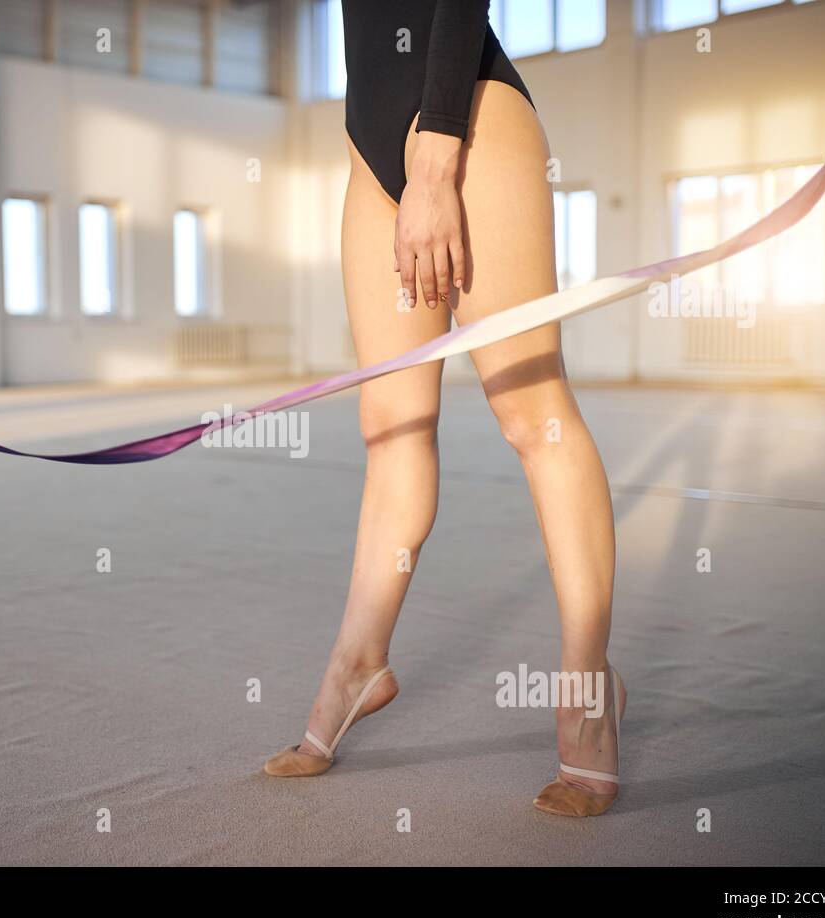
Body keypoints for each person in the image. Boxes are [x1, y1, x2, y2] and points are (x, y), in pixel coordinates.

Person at [262, 0, 625, 817]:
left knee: (534, 417)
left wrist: (435, 162)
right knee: (390, 429)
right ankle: (358, 667)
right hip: (368, 145)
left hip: (463, 118)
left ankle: (587, 690)